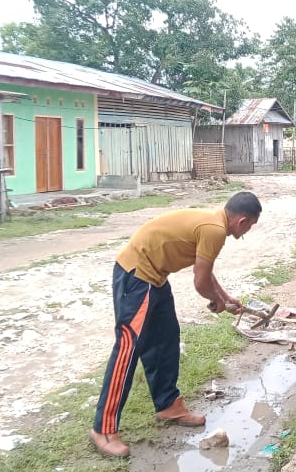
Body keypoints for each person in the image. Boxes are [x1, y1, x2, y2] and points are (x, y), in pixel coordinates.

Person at [89, 191, 262, 458]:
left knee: (166, 339)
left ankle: (168, 404)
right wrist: (217, 302)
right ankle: (104, 428)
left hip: (155, 277)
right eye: (251, 226)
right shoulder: (215, 230)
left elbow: (206, 271)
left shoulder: (213, 224)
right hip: (137, 276)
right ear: (242, 220)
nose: (248, 231)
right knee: (128, 349)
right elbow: (200, 283)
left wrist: (225, 298)